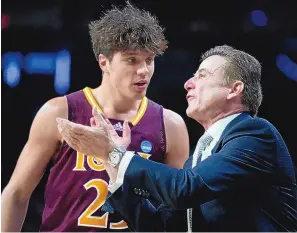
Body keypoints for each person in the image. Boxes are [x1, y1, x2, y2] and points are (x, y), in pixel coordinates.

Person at [57, 45, 297, 232]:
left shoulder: (255, 135)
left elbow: (185, 188)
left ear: (234, 89)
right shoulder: (199, 159)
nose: (188, 84)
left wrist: (116, 155)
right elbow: (159, 227)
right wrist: (110, 161)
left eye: (202, 76)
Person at [1, 2, 190, 232]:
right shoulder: (60, 112)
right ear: (104, 62)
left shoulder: (170, 125)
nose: (143, 70)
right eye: (132, 60)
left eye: (149, 60)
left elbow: (178, 212)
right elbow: (17, 193)